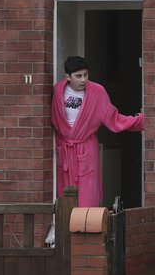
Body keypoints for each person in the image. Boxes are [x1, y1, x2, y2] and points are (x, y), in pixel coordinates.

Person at [52, 56, 144, 208]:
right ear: (68, 77)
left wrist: (141, 121)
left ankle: (87, 228)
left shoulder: (97, 92)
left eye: (86, 75)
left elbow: (113, 118)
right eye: (78, 76)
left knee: (87, 195)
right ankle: (65, 230)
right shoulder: (57, 91)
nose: (83, 80)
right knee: (64, 198)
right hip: (65, 151)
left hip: (85, 150)